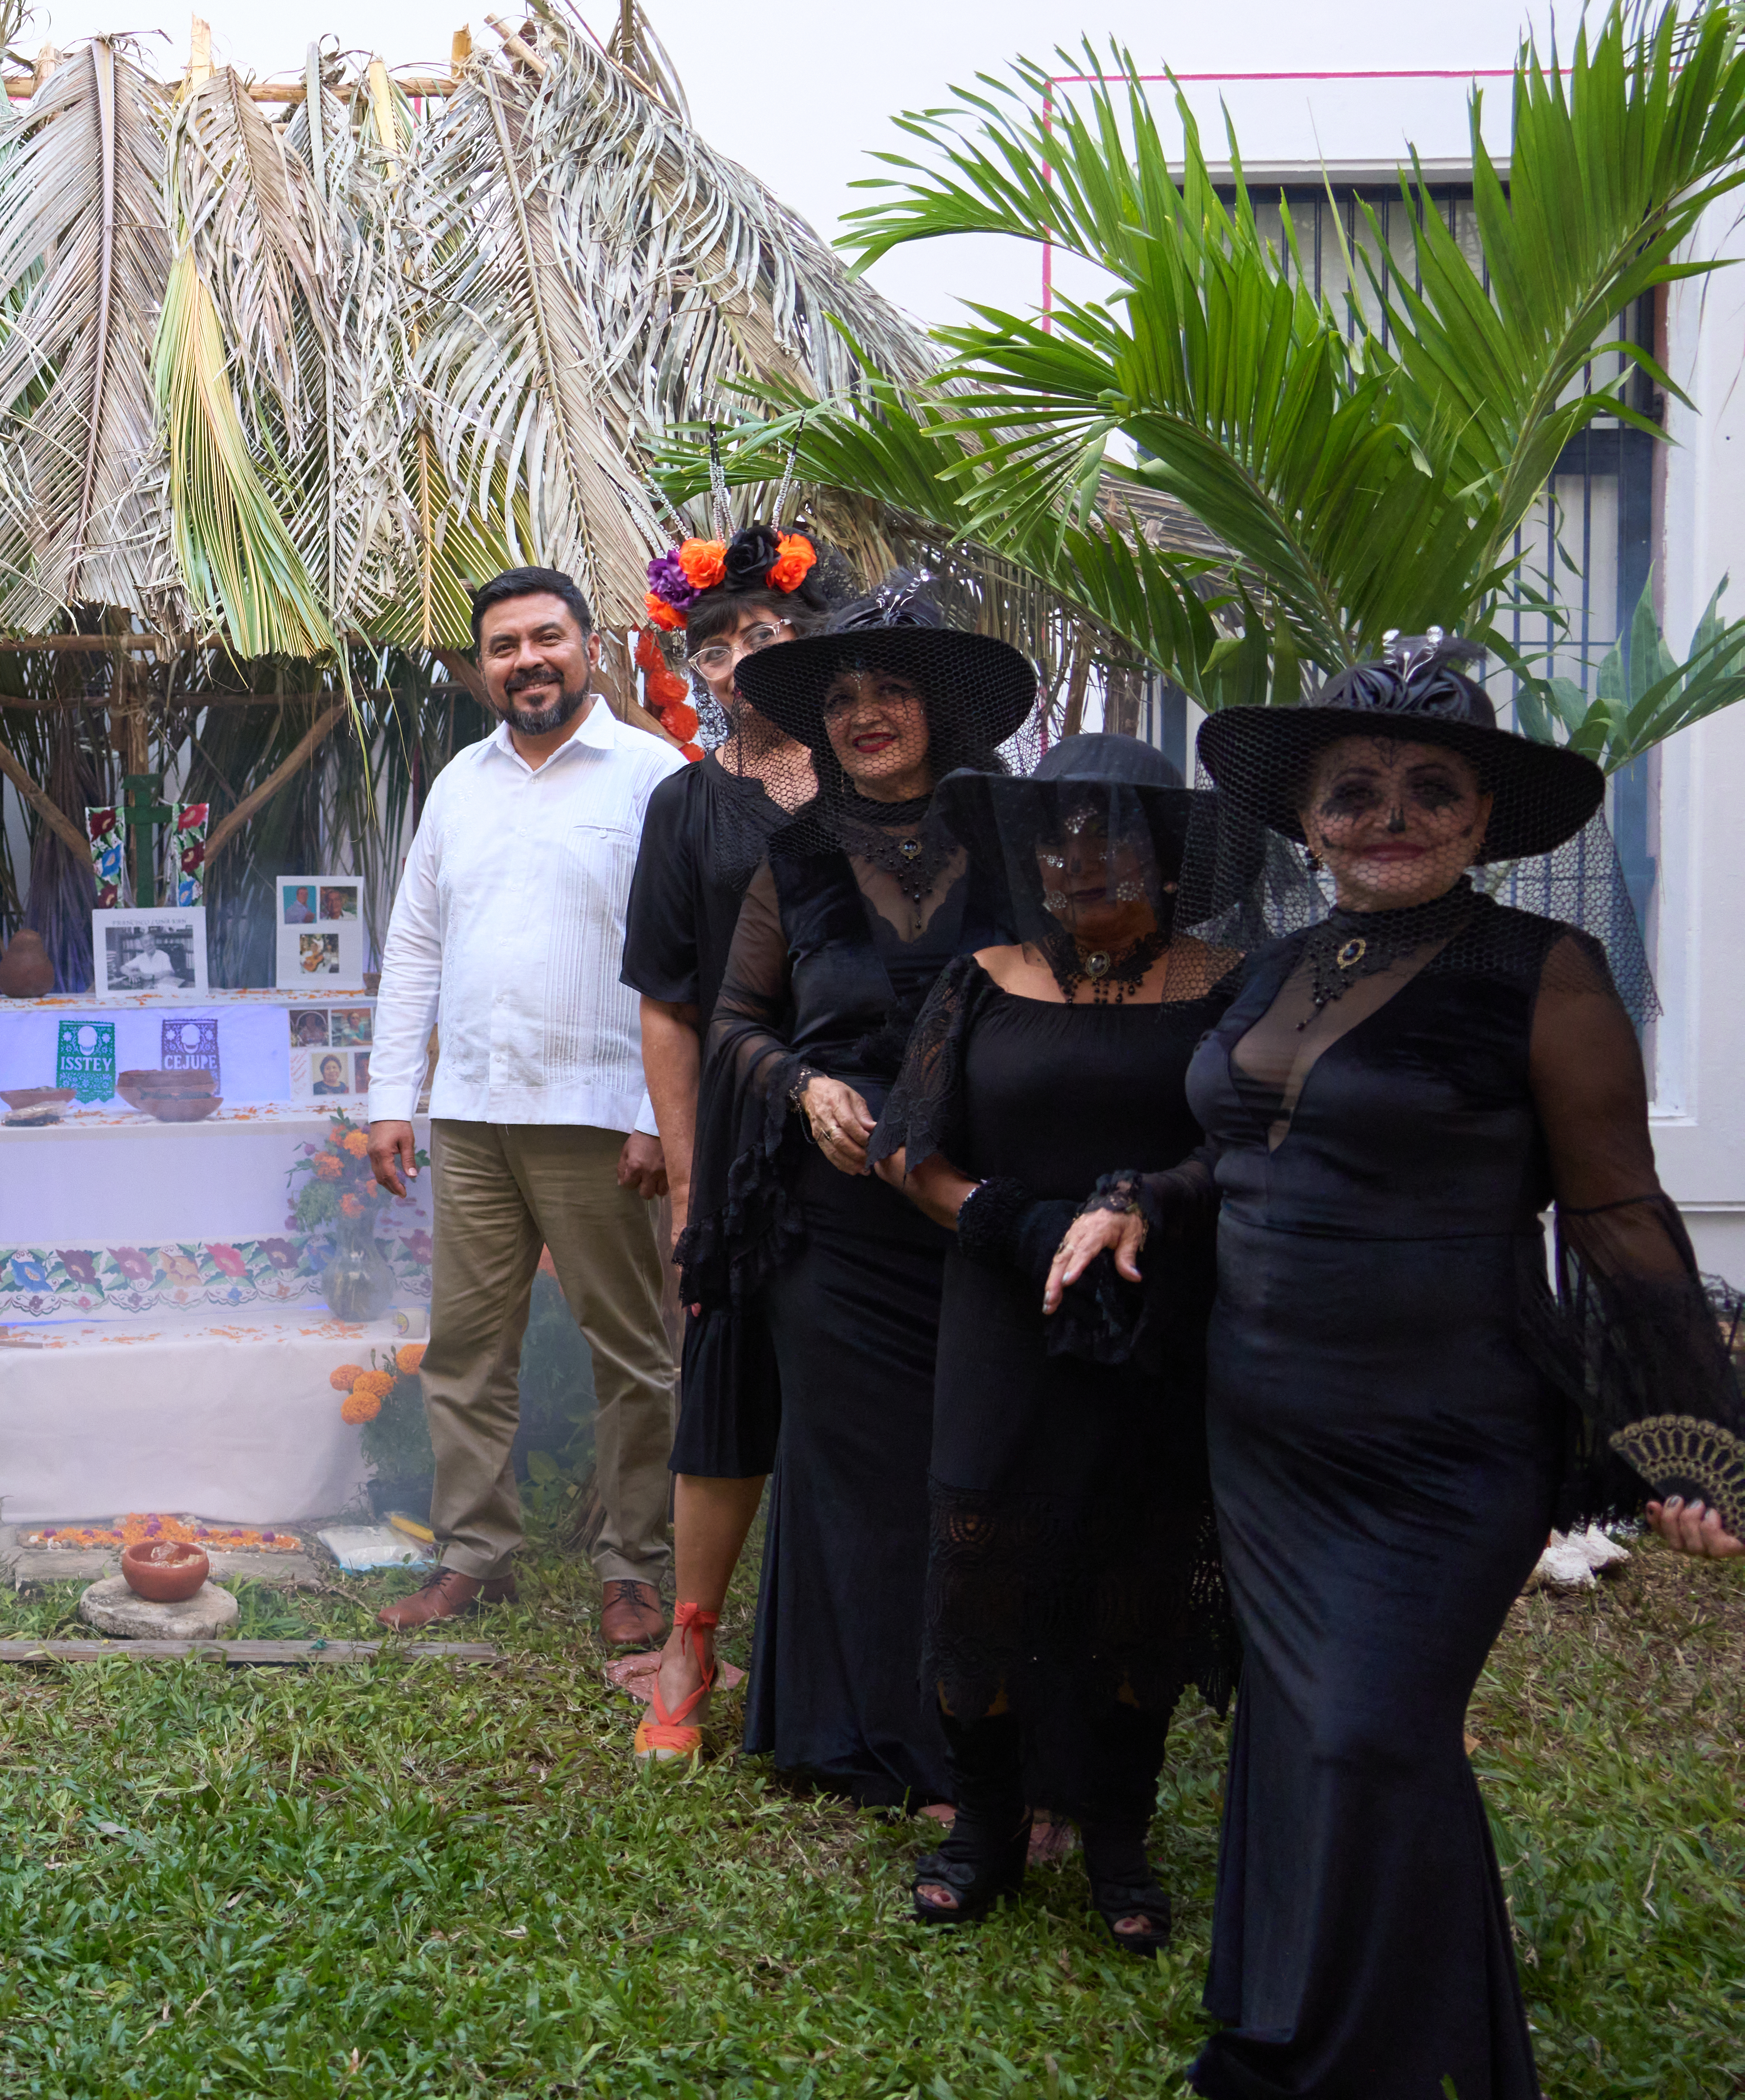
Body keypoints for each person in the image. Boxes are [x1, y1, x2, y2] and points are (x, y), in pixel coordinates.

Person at [1050, 635, 1744, 2100]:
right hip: (1265, 1426)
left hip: (1443, 1444)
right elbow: (1221, 1154)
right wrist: (1131, 1197)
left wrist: (1687, 1438)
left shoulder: (1542, 974)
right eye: (1355, 791)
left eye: (1434, 789)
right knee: (1305, 1738)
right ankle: (1295, 2021)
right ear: (1309, 819)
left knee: (1372, 1734)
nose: (1391, 816)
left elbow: (1616, 1208)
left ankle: (1370, 2065)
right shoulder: (1283, 967)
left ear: (1485, 821)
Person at [870, 736, 1251, 1949]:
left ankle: (1119, 1833)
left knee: (1137, 1569)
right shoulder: (984, 976)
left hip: (1159, 1316)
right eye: (1060, 839)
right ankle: (983, 1825)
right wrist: (1017, 1220)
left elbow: (1249, 1148)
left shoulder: (1234, 984)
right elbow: (908, 1151)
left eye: (1115, 837)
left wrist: (1147, 1200)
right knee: (980, 1564)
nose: (1084, 861)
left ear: (1176, 861)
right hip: (1002, 1312)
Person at [678, 572, 1035, 1810]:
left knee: (984, 1471)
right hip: (831, 1217)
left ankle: (998, 1721)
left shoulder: (1020, 842)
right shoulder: (799, 858)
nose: (867, 712)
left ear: (943, 708)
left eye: (892, 689)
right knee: (863, 1473)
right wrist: (801, 1086)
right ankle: (880, 1737)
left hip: (990, 1203)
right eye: (842, 697)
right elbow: (730, 1017)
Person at [366, 564, 682, 1647]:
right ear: (483, 667)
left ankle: (634, 1565)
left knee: (630, 1349)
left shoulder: (655, 776)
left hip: (599, 1109)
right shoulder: (461, 781)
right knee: (465, 1348)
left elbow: (682, 960)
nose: (527, 660)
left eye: (546, 637)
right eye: (504, 646)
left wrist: (657, 1110)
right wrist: (388, 1097)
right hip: (473, 1114)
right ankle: (472, 1555)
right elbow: (414, 945)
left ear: (589, 647)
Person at [620, 526, 829, 1760]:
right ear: (689, 668)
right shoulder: (685, 805)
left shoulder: (890, 782)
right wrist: (691, 1172)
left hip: (877, 1124)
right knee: (725, 1378)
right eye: (717, 641)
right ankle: (690, 1649)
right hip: (745, 1134)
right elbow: (666, 1002)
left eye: (766, 630)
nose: (744, 653)